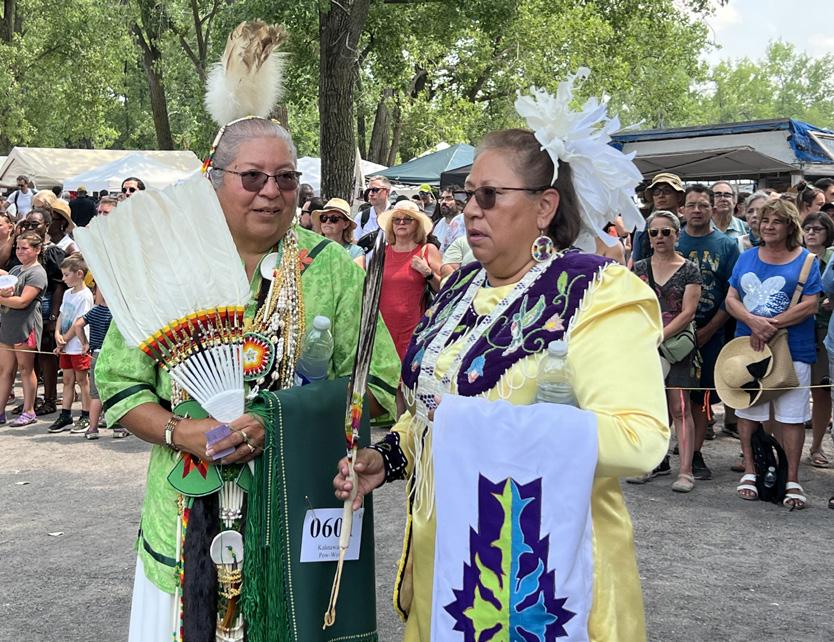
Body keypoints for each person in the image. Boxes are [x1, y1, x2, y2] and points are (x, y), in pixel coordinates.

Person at [94, 22, 400, 641]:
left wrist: (281, 419)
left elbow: (380, 387)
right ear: (215, 180)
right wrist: (183, 431)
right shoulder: (167, 267)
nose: (272, 192)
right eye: (253, 177)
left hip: (294, 501)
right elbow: (121, 385)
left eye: (286, 178)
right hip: (185, 508)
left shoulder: (330, 268)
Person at [334, 79, 667, 640]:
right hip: (448, 565)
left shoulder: (595, 293)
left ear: (544, 206)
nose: (470, 210)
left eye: (489, 196)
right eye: (468, 194)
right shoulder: (459, 288)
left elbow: (639, 440)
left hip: (541, 575)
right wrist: (389, 457)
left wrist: (475, 427)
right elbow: (433, 409)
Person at [724, 199, 821, 508]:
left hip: (793, 348)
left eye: (776, 221)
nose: (768, 226)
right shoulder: (746, 257)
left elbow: (811, 304)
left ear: (790, 226)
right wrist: (752, 321)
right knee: (748, 412)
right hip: (748, 347)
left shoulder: (806, 260)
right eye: (765, 220)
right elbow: (731, 297)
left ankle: (791, 479)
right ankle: (750, 471)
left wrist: (771, 325)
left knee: (792, 417)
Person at [632, 211, 702, 492]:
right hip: (645, 346)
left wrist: (659, 335)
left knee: (680, 407)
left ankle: (686, 471)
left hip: (677, 347)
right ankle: (650, 463)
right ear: (648, 237)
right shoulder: (638, 268)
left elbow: (688, 312)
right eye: (654, 232)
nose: (659, 237)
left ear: (676, 234)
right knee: (651, 408)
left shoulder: (690, 269)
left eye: (665, 232)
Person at [676, 184, 740, 480]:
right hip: (671, 332)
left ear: (712, 209)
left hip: (710, 332)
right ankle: (662, 453)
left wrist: (710, 328)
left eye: (703, 205)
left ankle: (696, 453)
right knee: (670, 394)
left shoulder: (726, 246)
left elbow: (732, 293)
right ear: (683, 209)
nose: (697, 210)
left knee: (700, 398)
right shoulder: (671, 237)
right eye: (692, 205)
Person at [377, 200, 440, 361]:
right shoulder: (381, 252)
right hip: (381, 329)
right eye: (396, 219)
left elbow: (445, 288)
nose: (401, 223)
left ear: (417, 224)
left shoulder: (427, 250)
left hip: (413, 329)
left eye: (407, 219)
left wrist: (427, 272)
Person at [21, 208, 66, 416]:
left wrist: (54, 315)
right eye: (27, 224)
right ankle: (32, 399)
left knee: (47, 356)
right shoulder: (24, 248)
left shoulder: (53, 251)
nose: (30, 227)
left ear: (46, 226)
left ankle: (50, 399)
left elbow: (59, 285)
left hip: (48, 306)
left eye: (35, 224)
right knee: (32, 357)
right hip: (28, 307)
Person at [0, 232, 48, 427]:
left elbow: (22, 301)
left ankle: (29, 410)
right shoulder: (16, 269)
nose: (20, 251)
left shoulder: (37, 273)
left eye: (25, 248)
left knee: (26, 369)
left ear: (37, 250)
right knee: (5, 370)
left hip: (26, 325)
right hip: (8, 324)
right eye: (18, 248)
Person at [801, 212, 834, 467]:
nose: (811, 233)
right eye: (807, 228)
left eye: (818, 229)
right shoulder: (795, 256)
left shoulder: (831, 258)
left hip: (823, 330)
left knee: (821, 390)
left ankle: (816, 447)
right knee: (782, 387)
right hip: (797, 329)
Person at [48, 255, 94, 434]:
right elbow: (61, 315)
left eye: (67, 275)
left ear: (79, 274)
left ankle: (86, 415)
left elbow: (78, 323)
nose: (63, 278)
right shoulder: (68, 293)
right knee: (67, 380)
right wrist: (57, 334)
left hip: (78, 345)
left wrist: (63, 340)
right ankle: (65, 414)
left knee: (82, 380)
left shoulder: (85, 296)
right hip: (66, 345)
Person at [71, 290, 116, 439]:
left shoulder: (94, 311)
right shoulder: (116, 313)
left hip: (96, 354)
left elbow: (78, 325)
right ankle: (118, 428)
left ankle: (92, 428)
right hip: (113, 355)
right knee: (115, 391)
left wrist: (85, 343)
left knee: (96, 395)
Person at [631, 172, 685, 263]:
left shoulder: (689, 225)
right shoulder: (643, 228)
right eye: (656, 192)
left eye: (667, 191)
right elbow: (637, 261)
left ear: (679, 196)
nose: (661, 195)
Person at [311, 197, 365, 268]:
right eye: (324, 218)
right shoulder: (312, 248)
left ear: (346, 224)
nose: (328, 222)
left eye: (334, 218)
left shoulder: (356, 252)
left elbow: (357, 274)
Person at [354, 176, 390, 240]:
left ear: (387, 191)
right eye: (368, 190)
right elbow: (355, 243)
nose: (370, 194)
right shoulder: (361, 217)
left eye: (375, 190)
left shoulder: (397, 216)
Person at [431, 185, 465, 253]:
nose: (444, 202)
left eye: (449, 198)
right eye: (442, 199)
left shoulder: (466, 224)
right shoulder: (436, 224)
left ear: (459, 202)